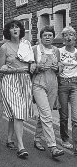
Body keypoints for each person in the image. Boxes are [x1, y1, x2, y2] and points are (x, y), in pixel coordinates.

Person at [0, 20, 35, 159]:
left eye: (17, 27)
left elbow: (32, 62)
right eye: (12, 28)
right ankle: (21, 146)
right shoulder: (4, 48)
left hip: (24, 81)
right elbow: (0, 69)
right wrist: (10, 69)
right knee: (19, 111)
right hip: (10, 81)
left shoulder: (26, 45)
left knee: (16, 112)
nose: (15, 30)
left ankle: (9, 139)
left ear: (21, 30)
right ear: (8, 31)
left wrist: (33, 65)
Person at [31, 26, 64, 158]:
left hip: (53, 83)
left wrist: (58, 68)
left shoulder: (56, 50)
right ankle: (53, 146)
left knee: (46, 113)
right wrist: (37, 67)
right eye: (45, 35)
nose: (48, 37)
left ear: (53, 37)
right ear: (41, 37)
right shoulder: (35, 49)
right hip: (39, 83)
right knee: (47, 115)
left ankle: (37, 139)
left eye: (50, 35)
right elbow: (30, 67)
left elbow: (60, 66)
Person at [58, 26, 77, 154]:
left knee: (75, 117)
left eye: (71, 35)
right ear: (63, 39)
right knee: (64, 116)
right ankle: (65, 139)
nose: (69, 37)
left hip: (75, 84)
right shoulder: (59, 51)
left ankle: (76, 144)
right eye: (66, 35)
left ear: (75, 37)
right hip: (62, 85)